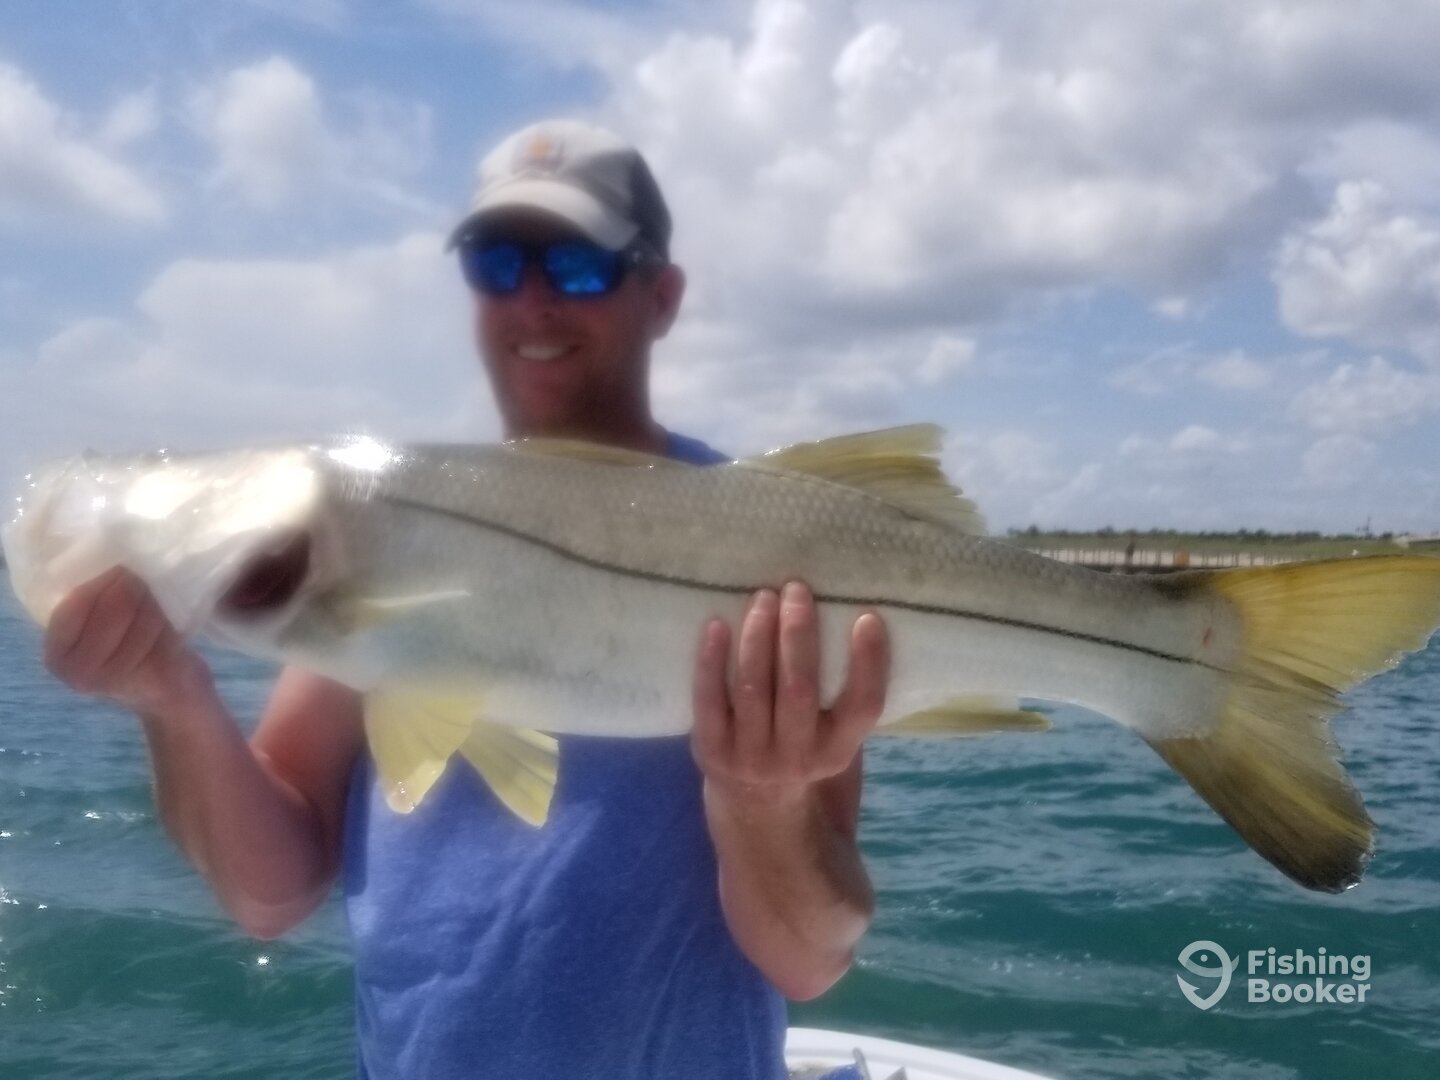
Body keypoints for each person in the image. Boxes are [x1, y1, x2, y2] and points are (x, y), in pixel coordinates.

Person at [41, 119, 890, 1078]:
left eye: (577, 265)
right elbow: (268, 895)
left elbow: (810, 957)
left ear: (663, 294)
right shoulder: (386, 531)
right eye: (496, 263)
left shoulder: (775, 552)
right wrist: (171, 700)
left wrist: (761, 801)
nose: (532, 299)